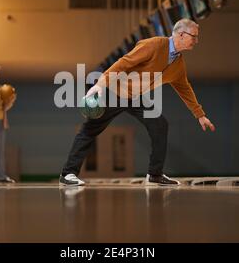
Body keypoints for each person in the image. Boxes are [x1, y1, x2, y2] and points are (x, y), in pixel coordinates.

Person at [60, 19, 216, 186]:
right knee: (90, 129)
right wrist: (100, 84)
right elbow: (124, 62)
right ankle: (68, 174)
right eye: (194, 36)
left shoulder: (178, 63)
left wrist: (200, 115)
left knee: (160, 124)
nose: (196, 41)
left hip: (136, 98)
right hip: (115, 92)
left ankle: (155, 174)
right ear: (181, 34)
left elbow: (184, 88)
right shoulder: (154, 45)